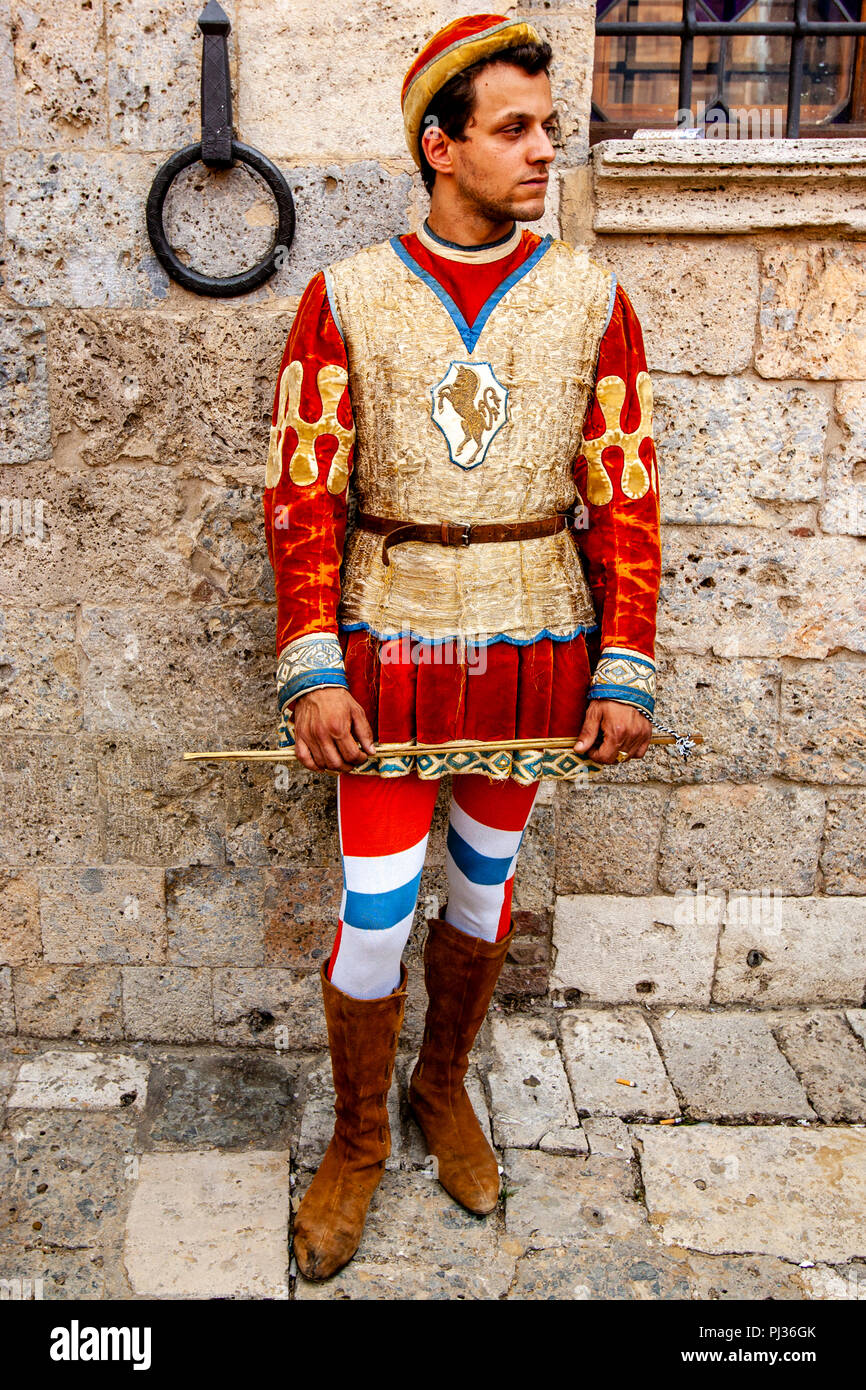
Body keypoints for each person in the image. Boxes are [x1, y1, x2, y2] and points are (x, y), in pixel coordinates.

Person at [263, 13, 662, 1281]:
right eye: (514, 129)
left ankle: (440, 1089)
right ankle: (356, 1136)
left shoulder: (590, 298)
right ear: (440, 147)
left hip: (537, 648)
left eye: (549, 128)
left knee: (483, 894)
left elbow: (625, 490)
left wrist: (625, 661)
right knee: (376, 913)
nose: (545, 151)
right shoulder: (344, 297)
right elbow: (302, 492)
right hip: (388, 651)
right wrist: (312, 663)